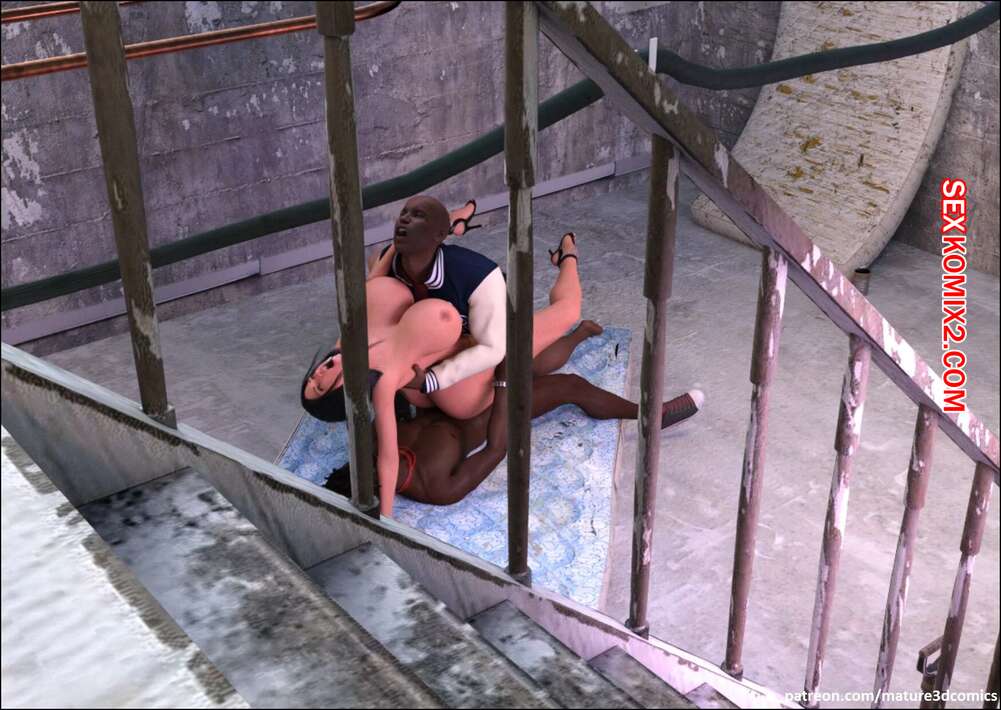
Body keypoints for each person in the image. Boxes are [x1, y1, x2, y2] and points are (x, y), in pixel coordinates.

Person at [302, 230, 591, 515]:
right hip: (463, 388)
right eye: (319, 386)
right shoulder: (433, 482)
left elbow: (375, 281)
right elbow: (491, 449)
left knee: (379, 259)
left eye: (311, 379)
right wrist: (386, 521)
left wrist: (397, 254)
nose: (316, 375)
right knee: (566, 316)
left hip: (442, 366)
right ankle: (568, 256)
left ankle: (569, 333)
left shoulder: (349, 346)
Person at [323, 318, 705, 505]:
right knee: (567, 386)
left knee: (526, 361)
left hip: (450, 393)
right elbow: (495, 449)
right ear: (381, 492)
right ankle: (648, 415)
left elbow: (386, 392)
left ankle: (575, 335)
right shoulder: (436, 488)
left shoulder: (373, 442)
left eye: (360, 465)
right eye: (373, 474)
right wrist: (503, 386)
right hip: (491, 412)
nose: (372, 464)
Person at [368, 195, 506, 400]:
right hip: (438, 334)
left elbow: (492, 349)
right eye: (403, 213)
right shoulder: (388, 263)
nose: (404, 218)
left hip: (498, 312)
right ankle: (457, 220)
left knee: (458, 404)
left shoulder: (479, 276)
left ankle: (456, 219)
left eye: (418, 215)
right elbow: (367, 304)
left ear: (440, 235)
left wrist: (432, 379)